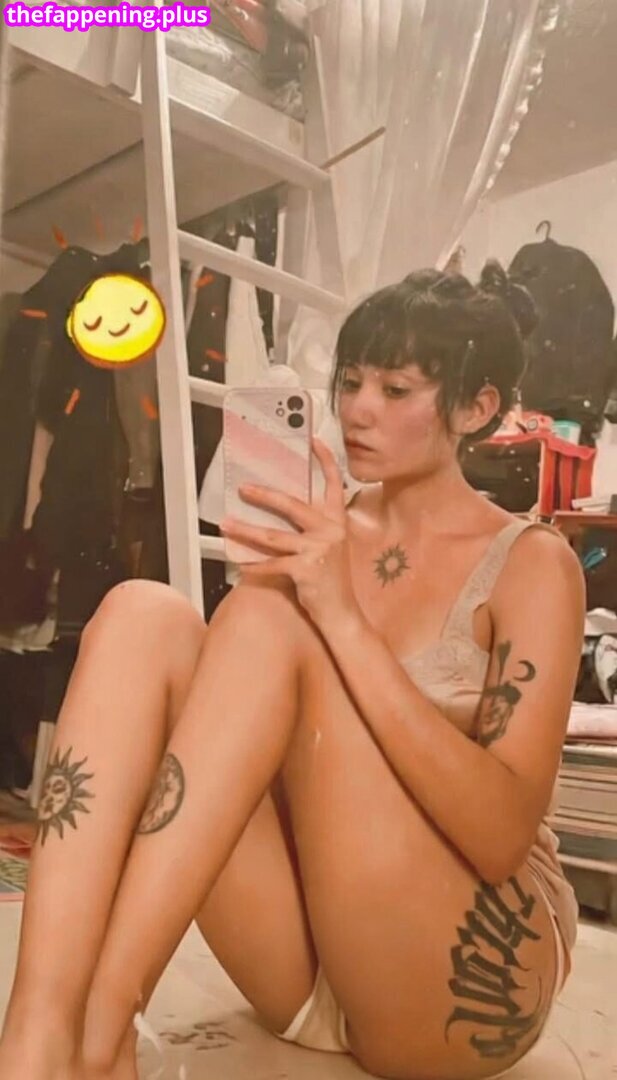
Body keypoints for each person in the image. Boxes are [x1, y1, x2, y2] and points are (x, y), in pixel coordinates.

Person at [0, 265, 585, 1080]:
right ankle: (35, 1040)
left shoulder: (532, 564)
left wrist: (336, 619)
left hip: (462, 968)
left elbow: (497, 840)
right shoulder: (318, 528)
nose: (357, 410)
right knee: (143, 612)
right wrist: (265, 607)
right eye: (349, 383)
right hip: (305, 954)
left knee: (270, 621)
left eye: (395, 389)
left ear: (475, 408)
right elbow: (236, 763)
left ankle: (102, 1030)